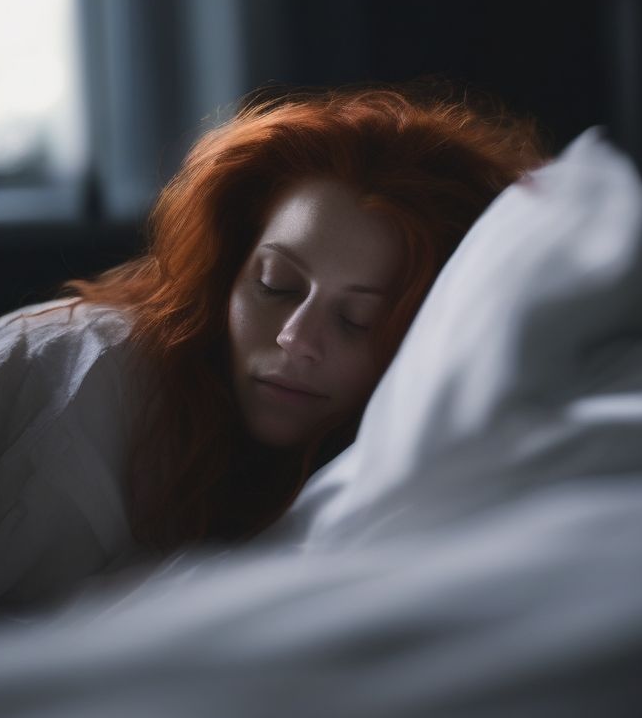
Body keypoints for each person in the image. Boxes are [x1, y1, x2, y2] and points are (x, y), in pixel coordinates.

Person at [61, 84, 548, 553]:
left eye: (360, 318)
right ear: (230, 266)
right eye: (276, 285)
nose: (295, 338)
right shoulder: (87, 383)